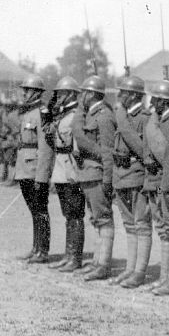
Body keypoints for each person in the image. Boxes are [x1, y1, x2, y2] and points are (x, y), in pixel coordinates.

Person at [142, 80, 169, 296]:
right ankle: (164, 278)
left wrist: (167, 187)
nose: (152, 103)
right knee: (164, 230)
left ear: (164, 101)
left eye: (155, 99)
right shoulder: (157, 120)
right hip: (157, 181)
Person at [72, 75, 116, 281]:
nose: (81, 95)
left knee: (104, 219)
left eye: (84, 92)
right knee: (96, 220)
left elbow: (107, 152)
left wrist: (107, 181)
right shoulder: (91, 114)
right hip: (88, 173)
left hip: (98, 174)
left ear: (91, 94)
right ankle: (98, 262)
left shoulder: (104, 117)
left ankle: (103, 265)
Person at [109, 76, 152, 288]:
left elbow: (144, 150)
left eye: (124, 93)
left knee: (141, 224)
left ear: (134, 95)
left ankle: (139, 271)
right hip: (121, 176)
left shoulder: (144, 118)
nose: (120, 96)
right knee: (129, 225)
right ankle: (130, 268)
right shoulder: (123, 116)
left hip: (136, 175)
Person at [45, 77, 86, 272]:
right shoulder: (62, 114)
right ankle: (68, 255)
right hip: (61, 169)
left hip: (71, 169)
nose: (58, 96)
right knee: (67, 214)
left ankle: (75, 258)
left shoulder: (77, 115)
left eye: (61, 93)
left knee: (75, 214)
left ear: (70, 94)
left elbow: (78, 146)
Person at [13, 76, 53, 264]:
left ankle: (42, 251)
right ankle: (36, 248)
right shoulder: (29, 112)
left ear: (36, 92)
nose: (23, 93)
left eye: (27, 90)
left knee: (40, 211)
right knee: (34, 211)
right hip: (25, 167)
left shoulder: (42, 113)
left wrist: (42, 176)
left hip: (35, 169)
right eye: (24, 89)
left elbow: (45, 147)